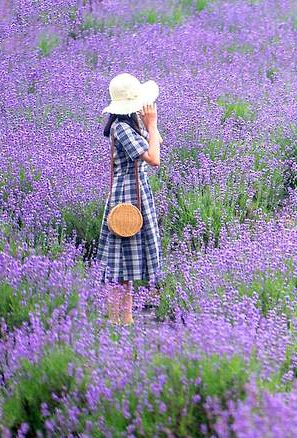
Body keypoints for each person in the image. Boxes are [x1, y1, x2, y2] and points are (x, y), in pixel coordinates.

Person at [95, 72, 163, 325]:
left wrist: (148, 124)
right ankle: (116, 319)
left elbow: (157, 142)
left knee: (127, 261)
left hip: (137, 192)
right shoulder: (121, 128)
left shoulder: (131, 124)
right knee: (120, 261)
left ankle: (127, 319)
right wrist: (151, 125)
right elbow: (154, 158)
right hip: (127, 196)